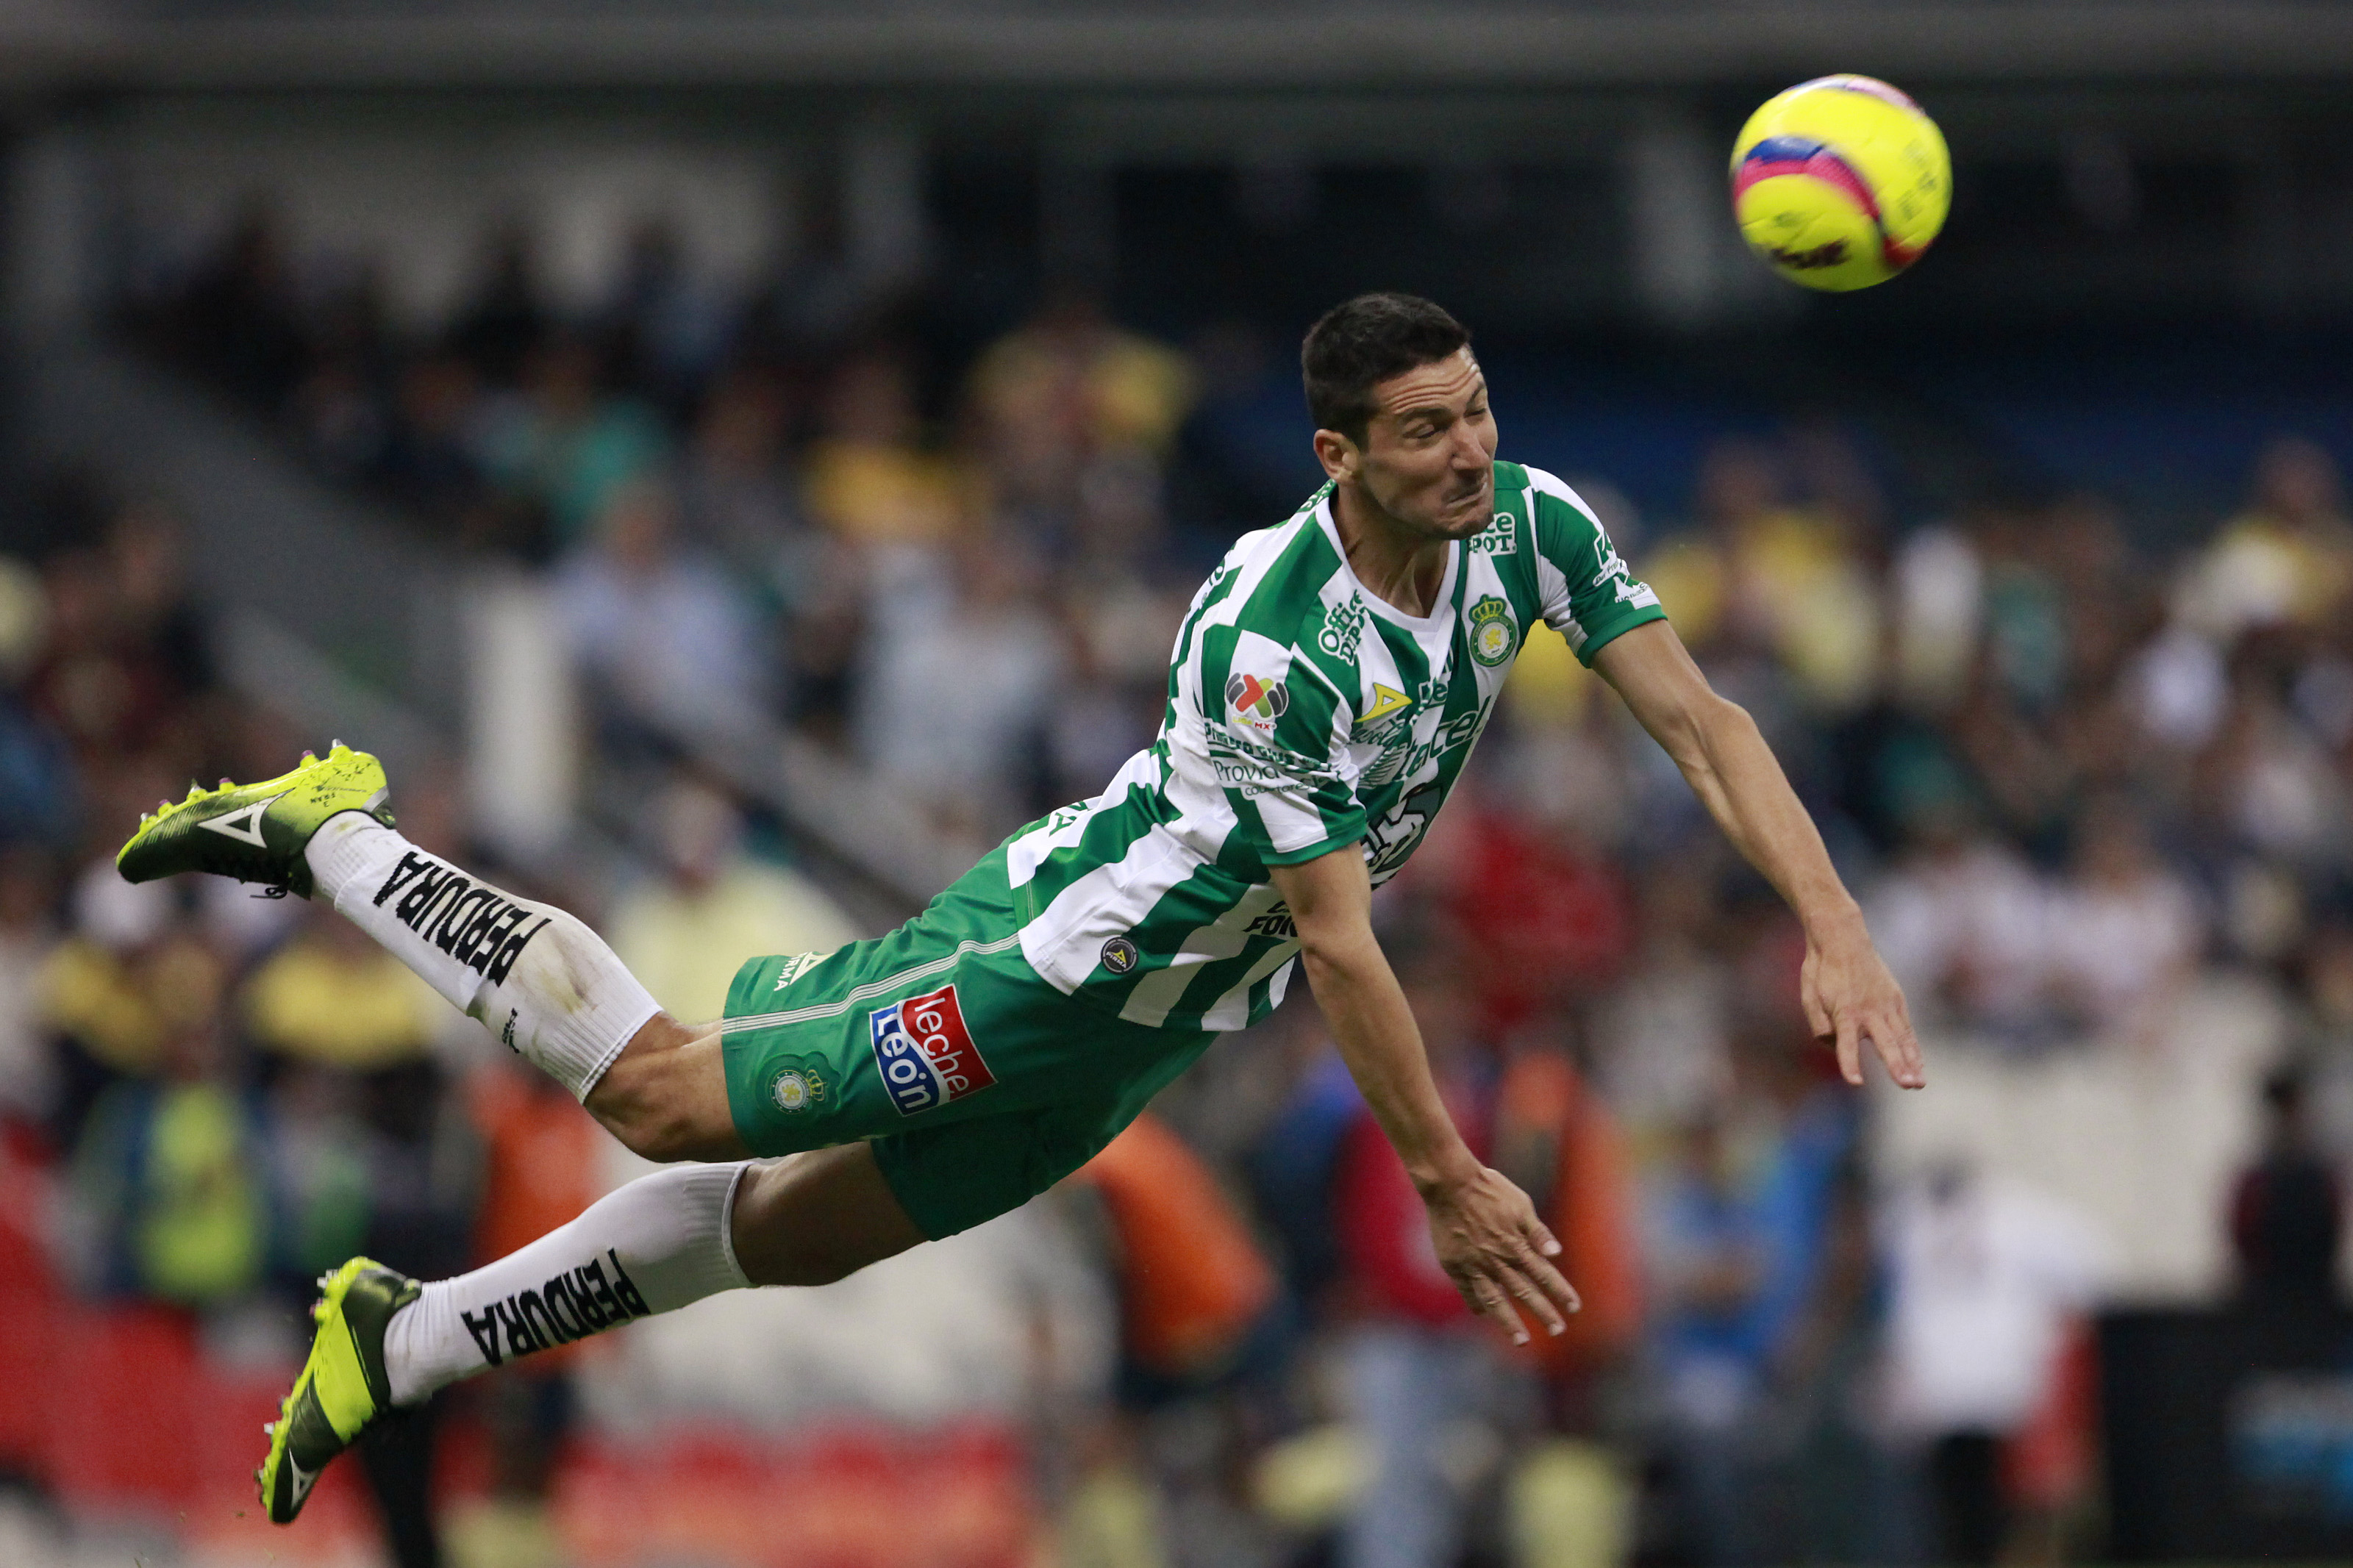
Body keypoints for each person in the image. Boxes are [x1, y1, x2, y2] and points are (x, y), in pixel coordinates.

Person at [112, 292, 1925, 1526]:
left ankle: (404, 1333)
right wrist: (1448, 1174)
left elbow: (1701, 722)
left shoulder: (1533, 527)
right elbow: (1334, 932)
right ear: (1333, 451)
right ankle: (330, 833)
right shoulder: (1272, 634)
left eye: (1476, 413)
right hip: (1052, 964)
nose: (1470, 451)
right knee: (665, 1095)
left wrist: (1827, 914)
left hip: (1151, 1033)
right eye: (1426, 430)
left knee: (803, 1235)